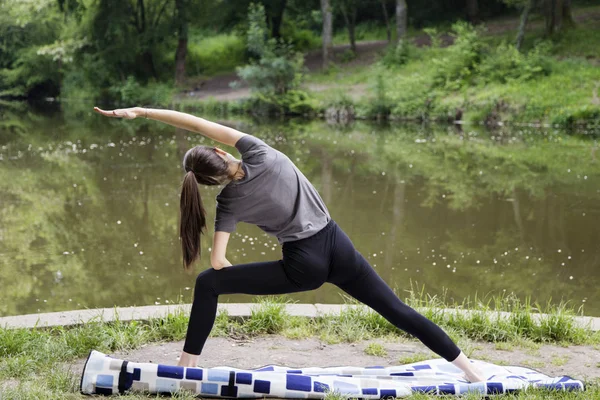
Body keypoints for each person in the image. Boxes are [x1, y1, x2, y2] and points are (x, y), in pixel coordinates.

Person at [94, 106, 485, 382]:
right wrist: (143, 111)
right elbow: (197, 124)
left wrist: (236, 273)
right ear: (219, 152)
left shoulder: (228, 202)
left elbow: (217, 262)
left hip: (303, 264)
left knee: (207, 284)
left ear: (208, 183)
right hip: (338, 243)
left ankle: (185, 368)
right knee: (397, 310)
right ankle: (471, 372)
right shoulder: (259, 151)